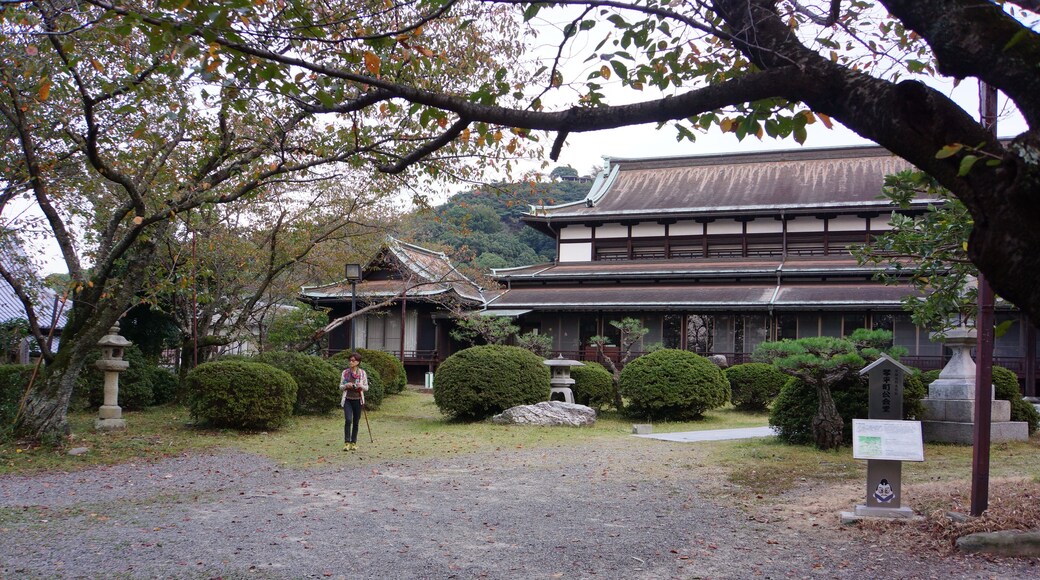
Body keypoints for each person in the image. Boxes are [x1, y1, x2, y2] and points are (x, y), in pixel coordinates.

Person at [340, 352, 369, 451]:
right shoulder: (345, 373)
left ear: (358, 362)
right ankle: (346, 442)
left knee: (356, 421)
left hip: (358, 400)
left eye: (353, 360)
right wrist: (346, 385)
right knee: (348, 420)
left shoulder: (362, 373)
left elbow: (366, 388)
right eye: (350, 360)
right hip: (347, 399)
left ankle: (354, 442)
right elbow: (340, 386)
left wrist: (361, 386)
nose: (351, 362)